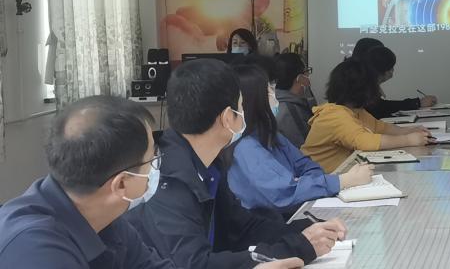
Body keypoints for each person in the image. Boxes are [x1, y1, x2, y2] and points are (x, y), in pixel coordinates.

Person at [126, 59, 346, 269]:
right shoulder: (168, 180)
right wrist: (298, 247)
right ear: (227, 118)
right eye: (241, 107)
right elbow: (195, 264)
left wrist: (305, 231)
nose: (244, 115)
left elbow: (242, 227)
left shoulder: (208, 164)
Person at [0, 96, 253, 268]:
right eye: (153, 158)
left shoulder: (105, 219)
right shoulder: (34, 250)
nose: (157, 164)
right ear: (120, 184)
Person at [227, 64, 374, 218]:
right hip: (273, 224)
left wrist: (302, 185)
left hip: (293, 214)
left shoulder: (271, 134)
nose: (274, 95)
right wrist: (343, 181)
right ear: (251, 101)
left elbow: (307, 165)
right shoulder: (245, 148)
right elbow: (285, 194)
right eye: (268, 91)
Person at [302, 58, 432, 172]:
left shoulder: (354, 110)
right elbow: (364, 142)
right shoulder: (335, 115)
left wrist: (410, 131)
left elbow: (380, 127)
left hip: (338, 173)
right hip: (320, 177)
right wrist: (408, 140)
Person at [351, 38, 438, 118]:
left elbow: (379, 107)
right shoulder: (354, 83)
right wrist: (417, 103)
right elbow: (377, 109)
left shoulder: (360, 78)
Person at [274, 52, 315, 147]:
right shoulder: (289, 111)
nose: (308, 75)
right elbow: (304, 147)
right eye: (306, 72)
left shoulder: (281, 100)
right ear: (299, 78)